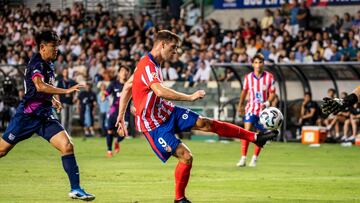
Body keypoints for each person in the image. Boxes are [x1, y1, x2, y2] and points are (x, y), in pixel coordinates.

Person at [115, 30, 278, 203]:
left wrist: (121, 115)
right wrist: (189, 97)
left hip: (167, 112)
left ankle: (255, 137)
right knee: (186, 156)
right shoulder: (147, 65)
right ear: (162, 45)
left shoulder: (151, 63)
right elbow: (160, 91)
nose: (176, 52)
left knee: (205, 123)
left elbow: (127, 87)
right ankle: (179, 199)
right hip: (154, 126)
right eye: (173, 47)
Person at [0, 31, 95, 201]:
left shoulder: (48, 63)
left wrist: (52, 100)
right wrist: (65, 91)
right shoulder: (37, 62)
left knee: (67, 145)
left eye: (57, 46)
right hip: (27, 116)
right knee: (2, 150)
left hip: (44, 116)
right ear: (42, 47)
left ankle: (76, 189)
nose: (57, 49)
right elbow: (39, 86)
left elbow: (43, 88)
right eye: (53, 46)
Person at [236, 53, 276, 168]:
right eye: (256, 62)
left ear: (263, 64)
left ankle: (254, 158)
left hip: (263, 110)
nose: (258, 65)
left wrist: (267, 103)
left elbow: (273, 93)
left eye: (260, 62)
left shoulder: (269, 77)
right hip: (251, 108)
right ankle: (243, 158)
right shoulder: (248, 77)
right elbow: (244, 92)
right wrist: (240, 105)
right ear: (253, 64)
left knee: (260, 134)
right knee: (246, 130)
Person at [102, 65, 130, 157]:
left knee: (124, 133)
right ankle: (109, 151)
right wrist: (103, 96)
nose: (124, 73)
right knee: (109, 131)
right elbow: (106, 93)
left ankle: (117, 141)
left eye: (126, 71)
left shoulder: (130, 85)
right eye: (122, 71)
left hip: (125, 113)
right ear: (119, 73)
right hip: (114, 112)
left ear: (128, 73)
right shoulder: (114, 84)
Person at [56, 68, 77, 133]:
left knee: (70, 119)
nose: (66, 73)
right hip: (63, 102)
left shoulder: (71, 81)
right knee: (64, 119)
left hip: (71, 102)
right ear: (63, 73)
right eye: (65, 72)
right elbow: (57, 92)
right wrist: (59, 102)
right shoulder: (60, 82)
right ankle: (63, 133)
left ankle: (69, 133)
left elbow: (76, 90)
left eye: (67, 72)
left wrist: (74, 97)